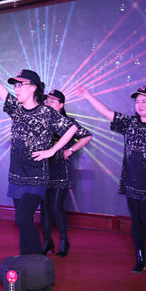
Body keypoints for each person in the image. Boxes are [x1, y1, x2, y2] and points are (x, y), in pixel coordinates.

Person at [0, 36, 77, 255]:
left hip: (37, 177)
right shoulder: (16, 109)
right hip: (16, 175)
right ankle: (26, 262)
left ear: (34, 88)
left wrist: (52, 150)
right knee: (23, 223)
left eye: (21, 85)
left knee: (22, 219)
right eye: (16, 85)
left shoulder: (46, 112)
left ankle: (40, 260)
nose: (17, 89)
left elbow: (71, 129)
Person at [77, 85, 146, 273]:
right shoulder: (130, 123)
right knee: (136, 220)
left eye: (145, 101)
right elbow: (106, 112)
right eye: (137, 101)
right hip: (131, 179)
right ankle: (141, 257)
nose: (140, 105)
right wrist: (87, 95)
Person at [41, 89, 93, 257]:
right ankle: (47, 241)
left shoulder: (68, 122)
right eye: (47, 101)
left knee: (56, 206)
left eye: (52, 101)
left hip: (60, 169)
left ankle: (64, 241)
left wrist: (70, 150)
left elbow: (87, 136)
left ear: (61, 105)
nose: (48, 103)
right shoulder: (41, 120)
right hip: (42, 169)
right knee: (44, 207)